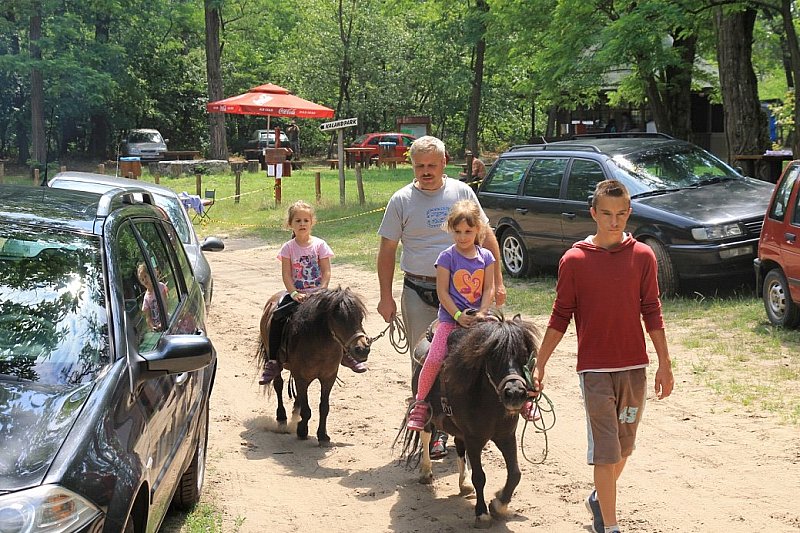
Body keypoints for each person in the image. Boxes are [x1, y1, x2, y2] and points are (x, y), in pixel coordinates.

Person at [530, 179, 675, 533]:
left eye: (622, 214)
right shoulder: (575, 260)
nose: (615, 221)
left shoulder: (643, 256)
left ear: (629, 213)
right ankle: (609, 526)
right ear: (593, 213)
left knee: (624, 449)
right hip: (595, 372)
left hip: (634, 370)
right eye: (607, 214)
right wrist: (541, 362)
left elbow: (652, 311)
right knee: (606, 451)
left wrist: (664, 364)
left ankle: (598, 497)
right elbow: (560, 315)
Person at [377, 135, 507, 456]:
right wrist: (385, 296)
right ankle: (430, 425)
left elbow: (487, 236)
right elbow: (387, 249)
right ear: (412, 165)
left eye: (432, 165)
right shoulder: (401, 200)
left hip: (468, 295)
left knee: (476, 359)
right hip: (420, 290)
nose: (426, 171)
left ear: (444, 163)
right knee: (426, 360)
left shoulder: (462, 192)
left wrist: (499, 282)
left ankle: (471, 423)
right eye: (419, 165)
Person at [406, 200, 496, 430]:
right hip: (450, 319)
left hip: (480, 318)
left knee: (508, 344)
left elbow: (488, 288)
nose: (463, 237)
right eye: (457, 231)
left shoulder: (486, 256)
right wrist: (456, 315)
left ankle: (523, 395)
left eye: (468, 231)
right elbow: (442, 291)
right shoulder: (447, 256)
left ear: (478, 229)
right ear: (450, 230)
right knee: (434, 358)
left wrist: (483, 312)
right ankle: (421, 402)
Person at [259, 200, 366, 385]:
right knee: (277, 317)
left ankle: (348, 354)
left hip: (319, 295)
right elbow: (286, 274)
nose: (302, 224)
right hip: (297, 293)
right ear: (290, 224)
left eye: (306, 220)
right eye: (298, 221)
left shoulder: (320, 245)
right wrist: (293, 293)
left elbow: (326, 271)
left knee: (343, 313)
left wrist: (322, 291)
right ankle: (274, 360)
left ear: (312, 222)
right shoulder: (288, 248)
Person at [137, 262, 168, 330]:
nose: (145, 280)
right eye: (142, 279)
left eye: (145, 276)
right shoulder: (146, 298)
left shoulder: (160, 287)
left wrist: (163, 322)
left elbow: (165, 305)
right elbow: (148, 317)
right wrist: (152, 327)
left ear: (151, 274)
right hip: (158, 328)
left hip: (167, 321)